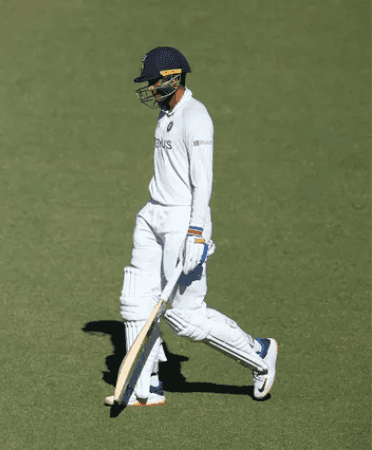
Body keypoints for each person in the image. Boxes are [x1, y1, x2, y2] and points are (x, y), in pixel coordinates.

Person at [105, 47, 278, 407]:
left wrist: (197, 232)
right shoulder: (167, 114)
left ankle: (260, 354)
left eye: (154, 81)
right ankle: (146, 385)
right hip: (153, 213)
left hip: (183, 221)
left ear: (174, 77)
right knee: (135, 299)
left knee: (185, 317)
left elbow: (204, 181)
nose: (150, 88)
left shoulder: (195, 118)